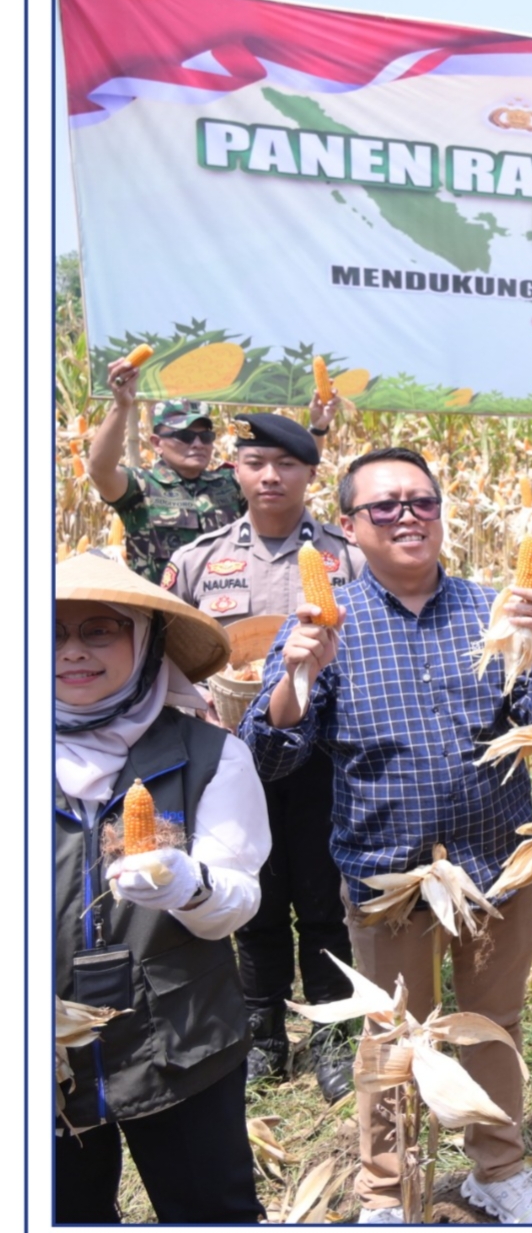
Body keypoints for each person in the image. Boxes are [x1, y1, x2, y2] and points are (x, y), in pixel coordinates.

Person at [240, 447, 532, 1224]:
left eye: (420, 502)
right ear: (351, 527)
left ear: (440, 512)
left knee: (494, 1026)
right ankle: (386, 1190)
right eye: (384, 507)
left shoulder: (495, 609)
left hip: (498, 866)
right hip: (385, 873)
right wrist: (295, 677)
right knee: (393, 1035)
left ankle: (498, 1169)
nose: (406, 518)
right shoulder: (323, 623)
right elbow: (271, 751)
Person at [54, 552, 271, 1223]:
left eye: (100, 630)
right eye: (52, 633)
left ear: (145, 641)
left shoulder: (212, 756)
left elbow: (237, 901)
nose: (72, 653)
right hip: (45, 1051)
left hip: (180, 1042)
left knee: (211, 1209)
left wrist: (190, 886)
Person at [164, 413, 363, 1098]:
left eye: (287, 464)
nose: (270, 476)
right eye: (255, 463)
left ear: (312, 474)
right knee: (252, 890)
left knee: (323, 895)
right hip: (227, 757)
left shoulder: (348, 558)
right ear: (236, 471)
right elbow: (165, 657)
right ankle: (263, 1027)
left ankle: (334, 1030)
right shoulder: (198, 561)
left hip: (326, 759)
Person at [86, 355, 338, 581]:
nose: (197, 444)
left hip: (224, 599)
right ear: (156, 443)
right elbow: (100, 470)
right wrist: (121, 406)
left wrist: (317, 428)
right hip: (164, 612)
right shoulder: (141, 487)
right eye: (184, 436)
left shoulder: (229, 483)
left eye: (205, 436)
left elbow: (294, 467)